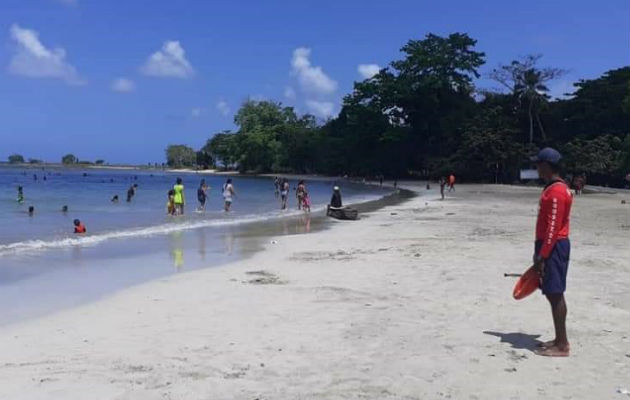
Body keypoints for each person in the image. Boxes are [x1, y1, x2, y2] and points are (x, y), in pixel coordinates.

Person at [530, 147, 573, 357]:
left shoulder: (556, 190)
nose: (536, 168)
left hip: (554, 246)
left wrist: (542, 255)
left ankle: (562, 345)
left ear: (547, 165)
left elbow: (553, 227)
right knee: (551, 292)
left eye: (538, 164)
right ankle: (558, 339)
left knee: (555, 293)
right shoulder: (554, 187)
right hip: (550, 245)